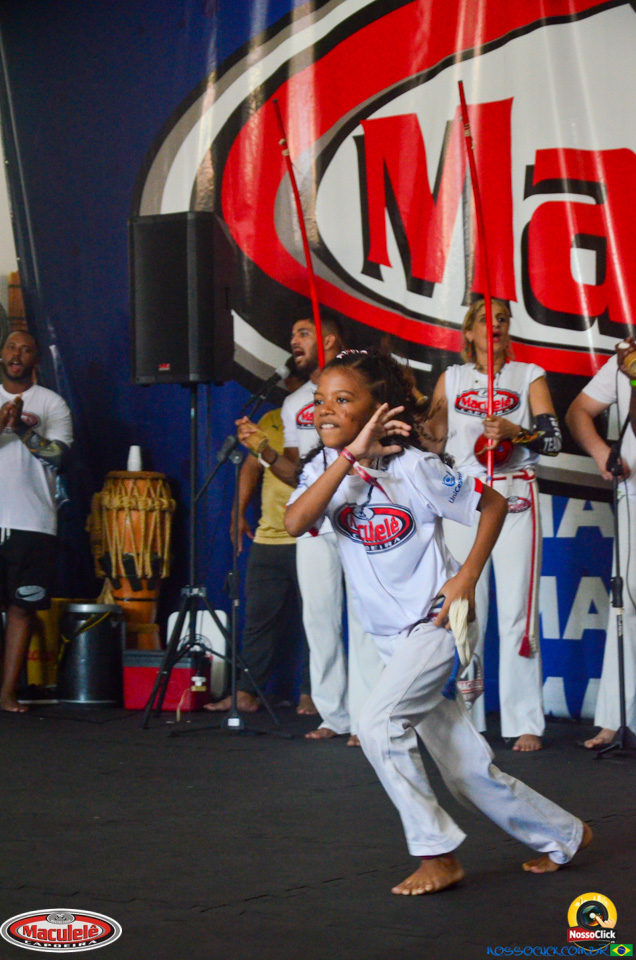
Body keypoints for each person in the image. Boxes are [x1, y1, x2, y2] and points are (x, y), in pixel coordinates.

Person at [284, 349, 590, 895]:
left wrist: (466, 577)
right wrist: (349, 457)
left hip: (435, 625)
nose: (324, 410)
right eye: (320, 400)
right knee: (464, 768)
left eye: (343, 399)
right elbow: (294, 521)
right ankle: (564, 834)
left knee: (378, 725)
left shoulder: (415, 468)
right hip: (389, 639)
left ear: (379, 409)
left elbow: (494, 505)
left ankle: (436, 853)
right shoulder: (324, 470)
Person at [235, 317, 383, 744]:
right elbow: (297, 472)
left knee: (364, 618)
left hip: (361, 511)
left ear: (328, 339)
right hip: (319, 518)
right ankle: (334, 715)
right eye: (292, 333)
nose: (293, 341)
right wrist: (264, 451)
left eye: (303, 333)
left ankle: (368, 719)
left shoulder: (363, 384)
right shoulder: (295, 402)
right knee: (318, 617)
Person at [425, 298, 562, 752]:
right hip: (466, 495)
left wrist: (514, 432)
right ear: (469, 332)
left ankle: (525, 720)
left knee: (517, 610)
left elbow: (553, 440)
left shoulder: (529, 374)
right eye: (485, 319)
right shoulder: (452, 378)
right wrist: (415, 416)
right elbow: (433, 440)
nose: (495, 325)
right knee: (465, 609)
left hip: (515, 491)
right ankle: (468, 716)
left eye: (502, 318)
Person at [205, 389, 314, 715]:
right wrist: (238, 512)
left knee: (316, 621)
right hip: (269, 536)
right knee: (257, 620)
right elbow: (252, 467)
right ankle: (246, 692)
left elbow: (302, 476)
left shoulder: (323, 417)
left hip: (312, 535)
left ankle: (312, 694)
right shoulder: (270, 419)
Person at [565, 337, 636, 749]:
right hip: (633, 495)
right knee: (626, 603)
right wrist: (600, 452)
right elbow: (578, 411)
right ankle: (615, 718)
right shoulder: (628, 359)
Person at [0, 331, 73, 712]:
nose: (18, 354)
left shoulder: (51, 403)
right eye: (12, 347)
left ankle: (7, 692)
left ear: (36, 360)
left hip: (33, 521)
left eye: (26, 349)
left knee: (21, 609)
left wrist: (21, 428)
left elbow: (58, 457)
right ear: (1, 353)